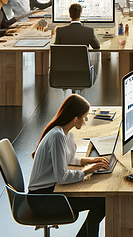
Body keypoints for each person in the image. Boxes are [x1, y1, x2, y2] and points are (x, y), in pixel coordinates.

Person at [27, 95, 109, 237]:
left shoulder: (65, 134)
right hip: (42, 199)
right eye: (84, 118)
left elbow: (67, 159)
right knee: (104, 201)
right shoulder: (57, 136)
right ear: (75, 119)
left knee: (103, 200)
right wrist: (86, 171)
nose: (84, 122)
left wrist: (90, 161)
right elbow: (62, 177)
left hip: (51, 191)